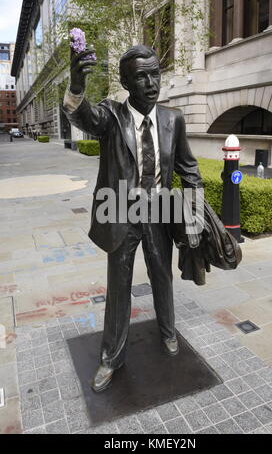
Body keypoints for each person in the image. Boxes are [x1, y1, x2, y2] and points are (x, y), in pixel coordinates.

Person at [63, 44, 203, 392]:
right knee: (119, 287)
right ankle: (111, 356)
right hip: (121, 213)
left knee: (162, 276)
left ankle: (169, 332)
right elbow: (84, 118)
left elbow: (190, 170)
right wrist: (76, 88)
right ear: (126, 82)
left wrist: (194, 217)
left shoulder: (173, 119)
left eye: (155, 73)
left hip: (160, 211)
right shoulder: (111, 116)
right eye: (142, 76)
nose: (152, 82)